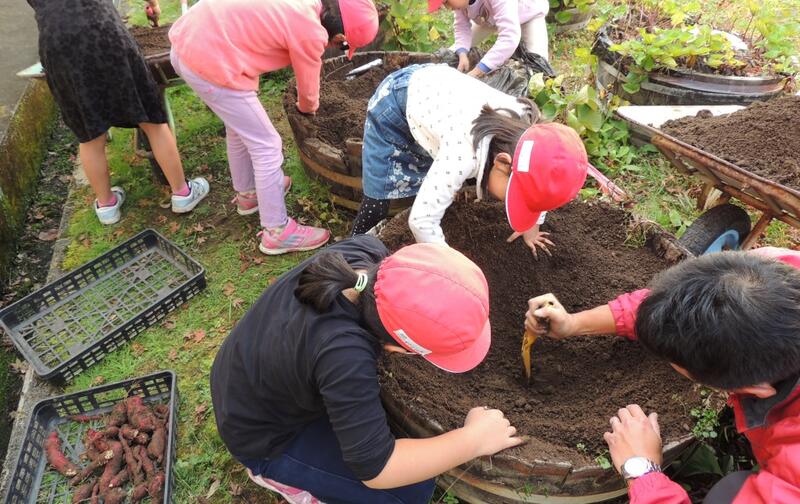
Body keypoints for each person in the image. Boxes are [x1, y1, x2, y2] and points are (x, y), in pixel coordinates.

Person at [210, 234, 522, 504]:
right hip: (263, 432)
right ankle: (277, 475)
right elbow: (376, 469)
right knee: (409, 493)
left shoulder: (366, 252)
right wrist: (473, 439)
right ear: (398, 349)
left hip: (251, 366)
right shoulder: (343, 356)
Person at [524, 246, 800, 503]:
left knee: (726, 493)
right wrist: (575, 323)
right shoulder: (771, 273)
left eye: (675, 363)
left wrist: (642, 470)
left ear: (755, 390)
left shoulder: (793, 471)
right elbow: (672, 308)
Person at [17, 0, 208, 225]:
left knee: (88, 136)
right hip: (107, 40)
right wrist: (153, 1)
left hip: (58, 54)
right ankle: (182, 193)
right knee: (152, 120)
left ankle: (106, 206)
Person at [169, 0, 379, 255]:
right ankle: (277, 231)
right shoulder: (310, 32)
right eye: (342, 46)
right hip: (210, 60)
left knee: (239, 128)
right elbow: (308, 92)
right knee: (267, 145)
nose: (336, 47)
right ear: (339, 37)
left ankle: (248, 195)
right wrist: (307, 111)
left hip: (191, 41)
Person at [351, 63, 587, 255]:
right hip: (396, 101)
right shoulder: (462, 154)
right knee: (379, 190)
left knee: (431, 171)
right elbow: (421, 221)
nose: (515, 203)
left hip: (439, 102)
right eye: (515, 195)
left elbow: (543, 189)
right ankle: (353, 245)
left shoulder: (528, 130)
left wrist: (532, 226)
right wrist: (451, 265)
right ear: (502, 163)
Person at [418, 0, 550, 78]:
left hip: (528, 10)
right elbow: (461, 26)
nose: (447, 7)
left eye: (446, 1)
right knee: (454, 53)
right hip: (490, 16)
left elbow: (509, 36)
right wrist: (462, 54)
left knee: (538, 70)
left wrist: (479, 70)